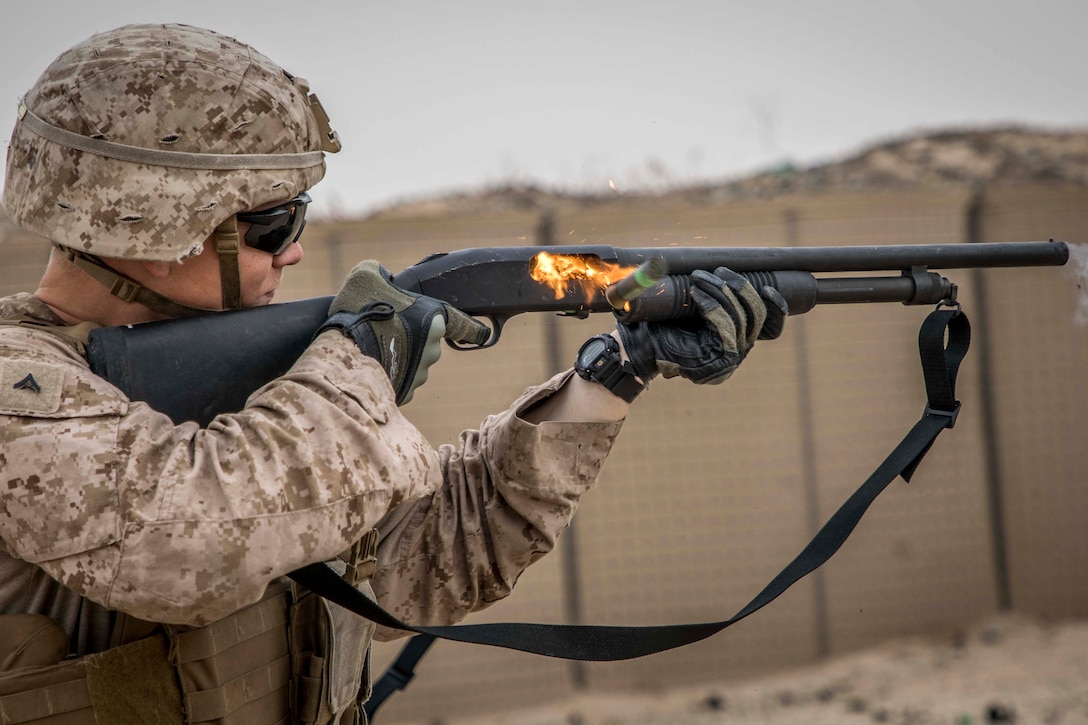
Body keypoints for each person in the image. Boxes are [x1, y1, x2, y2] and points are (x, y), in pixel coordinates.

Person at [0, 24, 784, 724]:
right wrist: (358, 361)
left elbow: (438, 553)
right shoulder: (19, 388)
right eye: (273, 224)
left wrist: (616, 370)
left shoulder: (245, 403)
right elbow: (181, 542)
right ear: (148, 224)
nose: (294, 250)